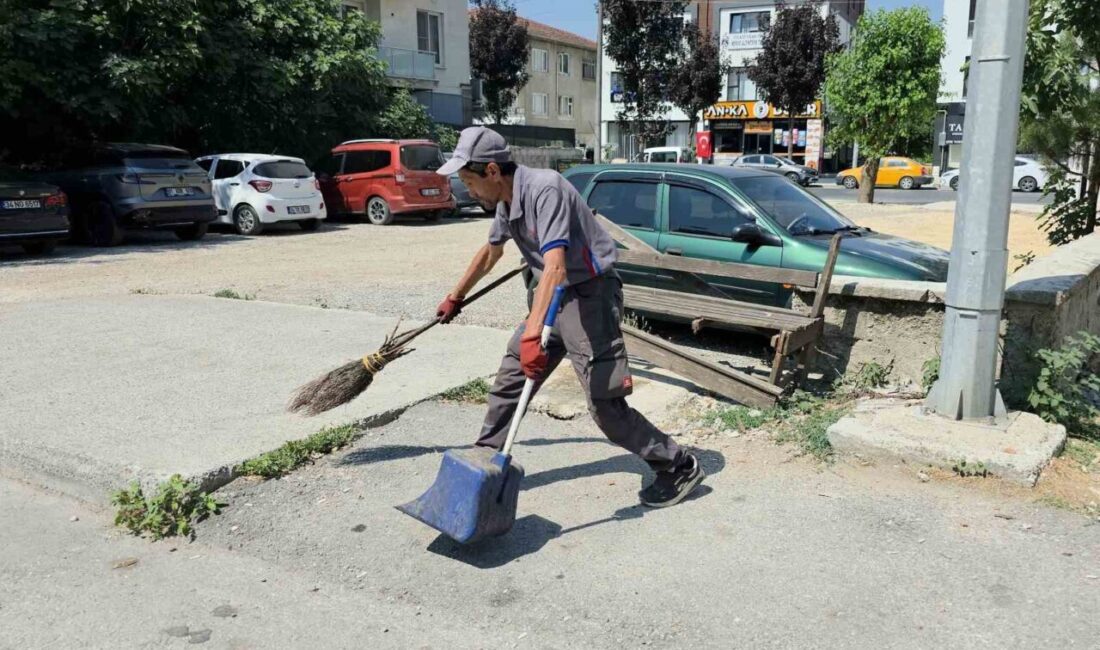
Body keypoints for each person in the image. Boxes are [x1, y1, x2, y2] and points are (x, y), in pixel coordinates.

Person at [434, 127, 704, 508]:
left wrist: (532, 336)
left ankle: (677, 464)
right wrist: (455, 296)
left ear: (492, 171)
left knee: (604, 405)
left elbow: (556, 267)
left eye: (468, 181)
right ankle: (483, 467)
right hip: (551, 298)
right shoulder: (505, 201)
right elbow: (491, 252)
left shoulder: (546, 189)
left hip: (588, 298)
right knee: (508, 385)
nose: (469, 191)